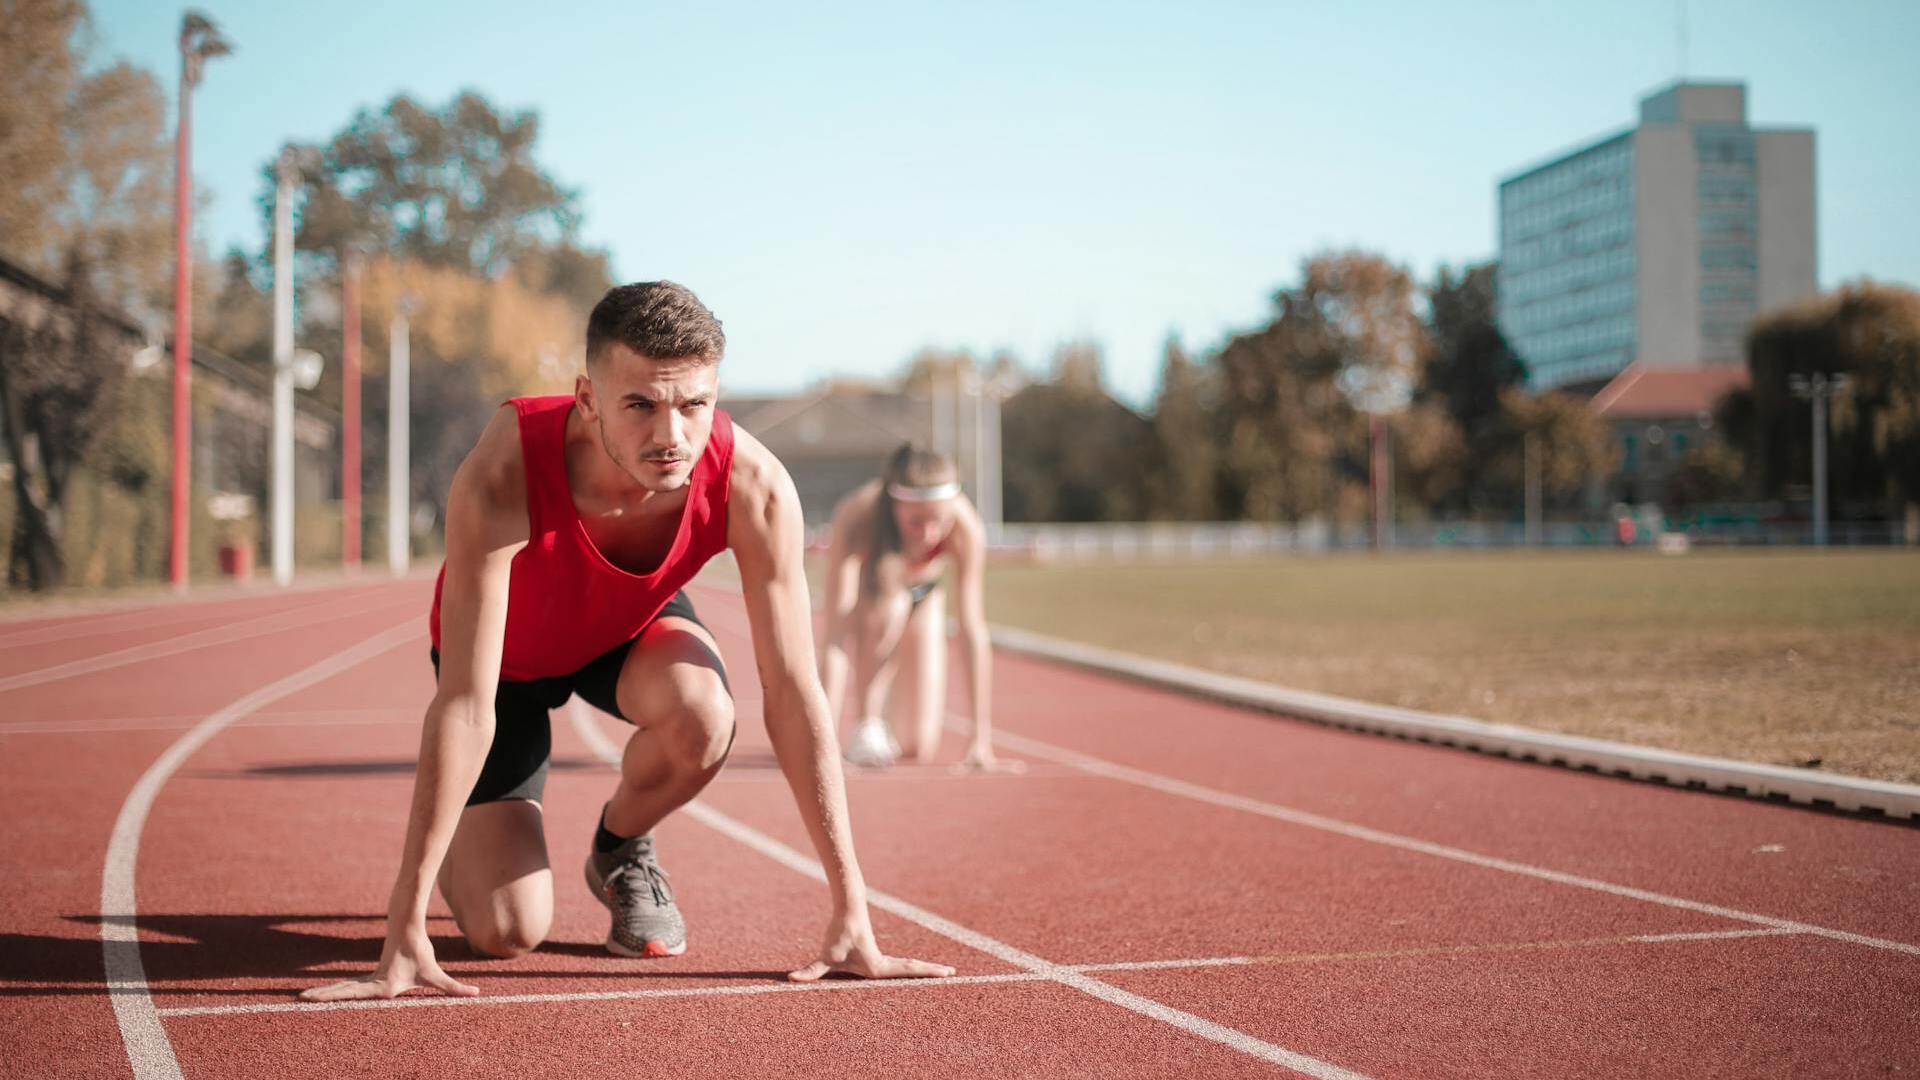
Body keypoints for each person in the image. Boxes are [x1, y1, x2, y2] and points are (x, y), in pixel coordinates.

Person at [303, 282, 953, 1002]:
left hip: (625, 631)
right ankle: (464, 833)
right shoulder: (504, 469)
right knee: (507, 932)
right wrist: (404, 923)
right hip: (507, 666)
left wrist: (851, 910)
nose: (670, 435)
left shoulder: (754, 486)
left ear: (716, 394)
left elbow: (795, 692)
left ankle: (619, 848)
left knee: (707, 715)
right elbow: (464, 702)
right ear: (588, 398)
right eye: (640, 404)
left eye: (693, 405)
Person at [815, 444, 1008, 771]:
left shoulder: (966, 526)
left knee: (915, 745)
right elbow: (835, 635)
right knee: (891, 608)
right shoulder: (857, 516)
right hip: (874, 595)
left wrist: (980, 739)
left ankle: (890, 715)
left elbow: (972, 628)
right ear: (894, 508)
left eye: (939, 521)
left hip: (926, 595)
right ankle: (867, 721)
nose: (929, 534)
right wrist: (822, 741)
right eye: (916, 522)